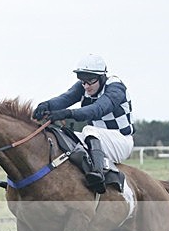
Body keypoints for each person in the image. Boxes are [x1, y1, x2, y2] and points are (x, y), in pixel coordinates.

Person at [33, 54, 134, 194]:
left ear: (102, 76)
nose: (86, 86)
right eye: (82, 81)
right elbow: (65, 98)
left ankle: (98, 175)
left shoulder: (116, 88)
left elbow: (97, 109)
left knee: (89, 130)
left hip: (120, 141)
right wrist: (46, 105)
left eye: (90, 81)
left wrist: (67, 113)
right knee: (63, 138)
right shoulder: (85, 85)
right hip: (96, 139)